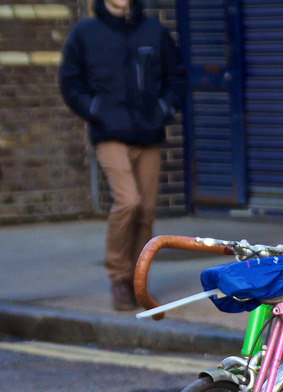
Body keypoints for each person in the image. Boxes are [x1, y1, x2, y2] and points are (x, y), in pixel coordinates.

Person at [58, 0, 187, 311]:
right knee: (128, 200)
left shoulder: (153, 30)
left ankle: (137, 280)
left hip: (147, 133)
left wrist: (162, 110)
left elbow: (176, 77)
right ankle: (118, 277)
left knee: (145, 210)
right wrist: (97, 110)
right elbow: (70, 83)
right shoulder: (85, 33)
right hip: (109, 134)